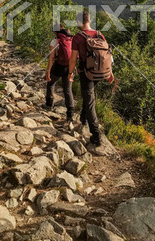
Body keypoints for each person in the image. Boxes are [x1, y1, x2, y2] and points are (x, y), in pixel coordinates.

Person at [68, 11, 113, 146]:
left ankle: (96, 135)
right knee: (88, 98)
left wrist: (70, 73)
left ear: (79, 22)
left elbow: (73, 58)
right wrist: (110, 73)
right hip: (101, 72)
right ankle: (84, 119)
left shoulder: (77, 37)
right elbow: (107, 55)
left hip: (86, 72)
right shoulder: (99, 34)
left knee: (89, 101)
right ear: (89, 20)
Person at [42, 25, 74, 122]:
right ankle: (70, 114)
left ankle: (49, 104)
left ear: (55, 32)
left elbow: (51, 57)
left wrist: (48, 71)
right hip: (69, 67)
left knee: (50, 83)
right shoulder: (71, 40)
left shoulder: (55, 41)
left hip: (58, 67)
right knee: (68, 90)